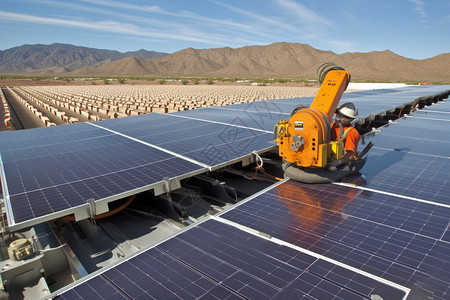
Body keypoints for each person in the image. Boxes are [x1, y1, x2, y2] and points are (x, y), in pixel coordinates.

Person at [328, 102, 360, 171]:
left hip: (344, 161)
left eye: (344, 117)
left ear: (350, 119)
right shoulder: (332, 125)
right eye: (339, 115)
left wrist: (339, 162)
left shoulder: (352, 132)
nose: (340, 118)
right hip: (331, 157)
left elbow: (350, 154)